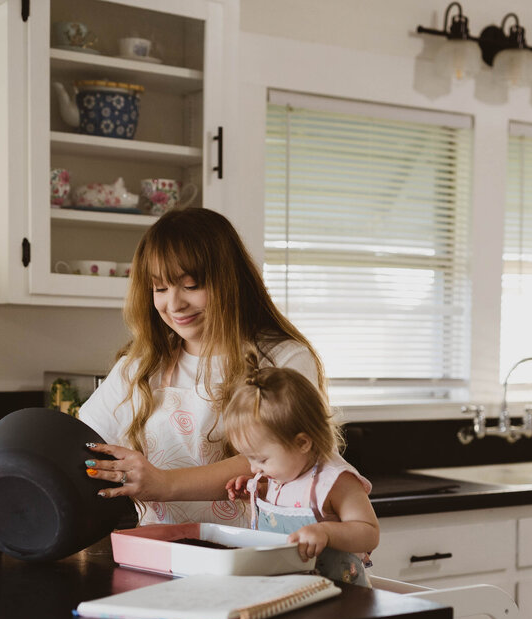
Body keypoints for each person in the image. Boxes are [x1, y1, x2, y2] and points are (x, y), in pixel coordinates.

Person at [78, 207, 326, 526]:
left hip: (258, 559)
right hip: (160, 555)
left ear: (229, 282)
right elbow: (84, 442)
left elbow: (286, 455)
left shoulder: (283, 358)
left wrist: (163, 483)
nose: (174, 304)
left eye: (191, 285)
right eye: (161, 288)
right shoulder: (140, 365)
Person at [223, 366, 379, 587]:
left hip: (339, 595)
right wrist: (260, 492)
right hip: (288, 588)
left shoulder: (335, 481)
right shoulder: (282, 474)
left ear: (302, 443)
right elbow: (291, 502)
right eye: (249, 458)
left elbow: (369, 533)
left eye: (262, 459)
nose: (253, 468)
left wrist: (325, 532)